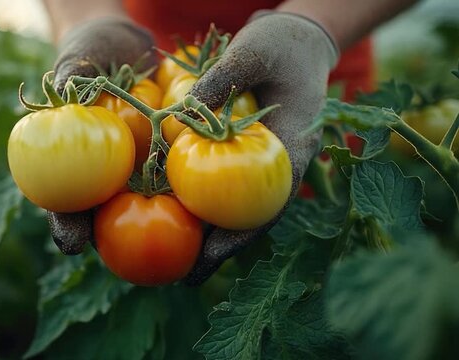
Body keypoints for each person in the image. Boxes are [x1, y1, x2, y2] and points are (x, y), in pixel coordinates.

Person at [40, 0, 419, 285]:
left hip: (311, 70)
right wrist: (86, 18)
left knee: (331, 229)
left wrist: (316, 26)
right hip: (148, 62)